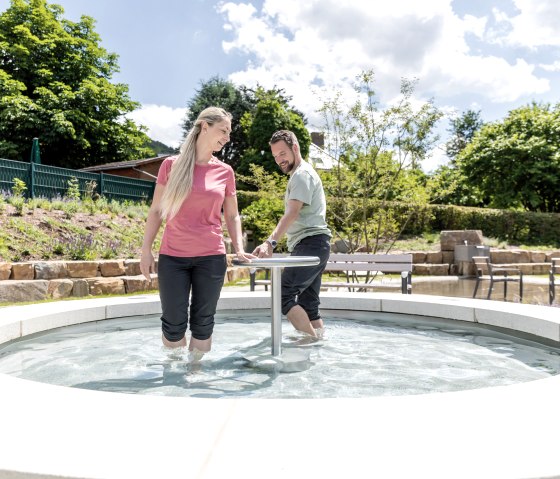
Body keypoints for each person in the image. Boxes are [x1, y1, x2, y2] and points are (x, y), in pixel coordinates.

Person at [140, 106, 254, 360]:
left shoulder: (225, 172)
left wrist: (239, 247)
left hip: (211, 257)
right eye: (223, 130)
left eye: (229, 133)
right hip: (173, 257)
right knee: (173, 324)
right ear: (205, 126)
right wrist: (146, 250)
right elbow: (157, 210)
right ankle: (173, 375)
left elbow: (232, 214)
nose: (227, 137)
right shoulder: (171, 165)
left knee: (203, 324)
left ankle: (194, 374)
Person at [253, 130, 331, 338]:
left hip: (311, 244)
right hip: (318, 245)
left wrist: (270, 242)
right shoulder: (303, 173)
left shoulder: (301, 174)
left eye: (283, 153)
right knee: (309, 305)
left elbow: (292, 212)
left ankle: (311, 342)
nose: (279, 160)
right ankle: (320, 347)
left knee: (282, 295)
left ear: (295, 148)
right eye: (275, 156)